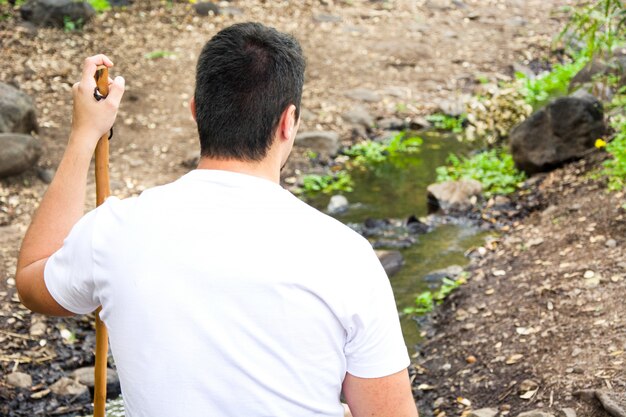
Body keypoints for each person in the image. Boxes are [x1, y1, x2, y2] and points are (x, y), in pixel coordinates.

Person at [16, 22, 419, 417]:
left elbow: (33, 279)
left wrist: (84, 134)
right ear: (288, 122)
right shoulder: (345, 255)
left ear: (196, 111)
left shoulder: (115, 229)